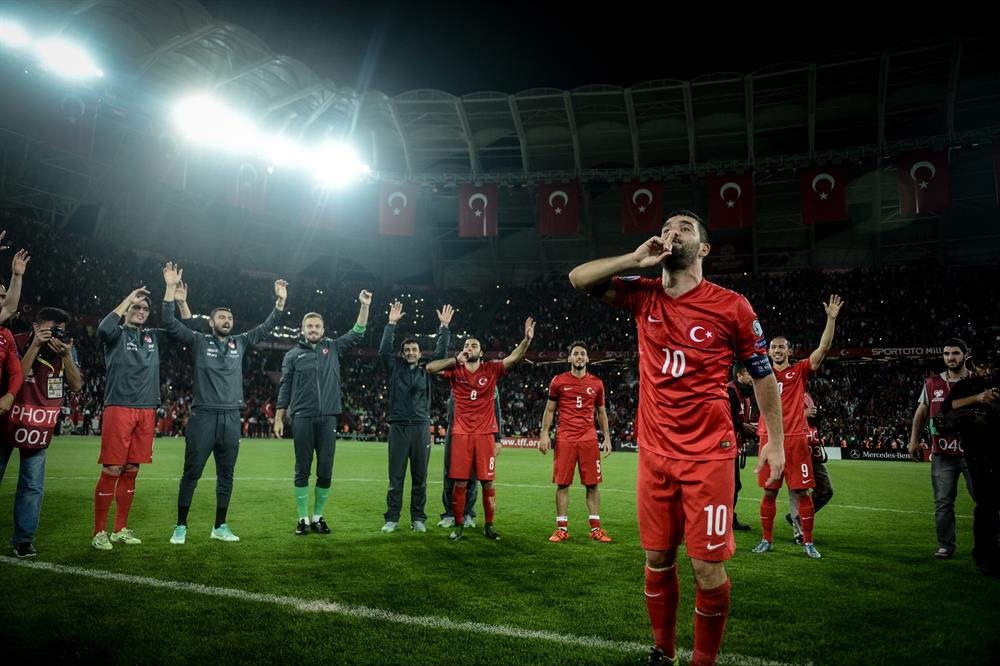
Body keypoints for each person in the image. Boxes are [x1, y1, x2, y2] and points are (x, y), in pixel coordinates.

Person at [568, 210, 784, 666]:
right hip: (655, 453)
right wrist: (634, 258)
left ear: (703, 248)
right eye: (667, 228)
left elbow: (764, 376)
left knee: (706, 567)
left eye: (684, 228)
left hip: (708, 455)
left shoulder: (732, 306)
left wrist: (775, 441)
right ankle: (662, 650)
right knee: (658, 558)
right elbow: (578, 279)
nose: (672, 233)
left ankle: (702, 661)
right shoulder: (642, 294)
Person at [161, 262, 287, 544]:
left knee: (226, 475)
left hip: (231, 417)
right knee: (191, 473)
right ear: (211, 322)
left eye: (229, 317)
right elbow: (169, 323)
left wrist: (279, 304)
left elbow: (266, 328)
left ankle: (220, 526)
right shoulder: (199, 341)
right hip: (204, 416)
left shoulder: (240, 343)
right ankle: (180, 526)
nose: (227, 320)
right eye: (221, 317)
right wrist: (170, 290)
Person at [751, 295, 843, 560]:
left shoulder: (800, 371)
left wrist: (831, 319)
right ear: (768, 351)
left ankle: (808, 542)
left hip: (795, 439)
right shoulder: (761, 372)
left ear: (789, 351)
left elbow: (823, 348)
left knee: (803, 492)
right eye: (774, 347)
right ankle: (766, 540)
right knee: (769, 491)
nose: (777, 351)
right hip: (769, 439)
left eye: (782, 347)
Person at [427, 318, 535, 541]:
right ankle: (458, 525)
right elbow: (430, 368)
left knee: (487, 481)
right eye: (466, 345)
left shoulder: (491, 369)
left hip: (485, 435)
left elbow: (514, 358)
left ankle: (489, 525)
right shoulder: (455, 370)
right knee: (459, 482)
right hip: (461, 434)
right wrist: (454, 360)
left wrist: (526, 340)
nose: (469, 348)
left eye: (474, 345)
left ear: (481, 352)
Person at [275, 292, 371, 536]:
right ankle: (302, 519)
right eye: (309, 326)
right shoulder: (292, 355)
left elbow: (358, 332)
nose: (313, 329)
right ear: (303, 329)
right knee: (302, 468)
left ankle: (318, 517)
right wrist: (279, 417)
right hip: (302, 417)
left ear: (323, 329)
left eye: (317, 326)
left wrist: (364, 306)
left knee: (325, 469)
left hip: (328, 417)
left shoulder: (333, 347)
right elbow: (284, 387)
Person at [92, 286, 170, 550]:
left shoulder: (153, 336)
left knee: (132, 470)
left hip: (147, 409)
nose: (141, 311)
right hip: (119, 407)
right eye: (136, 307)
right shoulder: (116, 334)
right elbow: (103, 329)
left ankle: (120, 529)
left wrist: (171, 292)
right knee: (112, 469)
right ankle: (99, 532)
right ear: (127, 310)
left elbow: (179, 330)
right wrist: (127, 300)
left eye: (145, 308)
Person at [379, 300, 452, 533]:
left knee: (420, 478)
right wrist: (391, 324)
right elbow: (383, 351)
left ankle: (418, 518)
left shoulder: (427, 370)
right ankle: (392, 518)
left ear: (420, 353)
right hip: (398, 428)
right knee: (396, 478)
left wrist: (444, 328)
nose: (411, 352)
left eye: (414, 350)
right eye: (407, 350)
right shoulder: (394, 368)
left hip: (420, 428)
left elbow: (441, 354)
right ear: (402, 354)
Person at [538, 340, 613, 542]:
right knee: (562, 483)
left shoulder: (596, 383)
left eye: (582, 354)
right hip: (565, 438)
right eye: (576, 354)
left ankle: (595, 528)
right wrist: (544, 433)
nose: (579, 357)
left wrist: (607, 437)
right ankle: (562, 528)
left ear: (587, 359)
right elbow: (549, 409)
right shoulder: (558, 381)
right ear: (569, 358)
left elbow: (601, 412)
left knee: (592, 484)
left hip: (588, 438)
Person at [907, 339, 976, 559]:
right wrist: (913, 440)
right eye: (946, 354)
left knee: (985, 499)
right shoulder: (932, 382)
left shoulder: (976, 381)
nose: (950, 358)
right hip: (942, 453)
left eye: (955, 353)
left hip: (974, 453)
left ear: (965, 354)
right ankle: (946, 545)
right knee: (943, 502)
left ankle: (991, 543)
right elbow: (922, 411)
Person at [940, 359, 999, 576]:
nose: (988, 371)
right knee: (986, 503)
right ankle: (985, 556)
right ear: (974, 365)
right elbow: (946, 408)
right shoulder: (967, 385)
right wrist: (978, 398)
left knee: (989, 503)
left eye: (992, 366)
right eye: (983, 366)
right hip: (977, 449)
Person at [786, 392, 834, 544]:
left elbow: (813, 421)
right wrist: (803, 414)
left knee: (826, 490)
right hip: (795, 448)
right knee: (798, 492)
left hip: (813, 449)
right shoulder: (786, 393)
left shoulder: (808, 395)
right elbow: (782, 419)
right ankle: (799, 534)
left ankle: (798, 517)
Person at [726, 363, 755, 531]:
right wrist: (742, 426)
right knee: (731, 485)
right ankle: (727, 519)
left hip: (733, 446)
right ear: (740, 375)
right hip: (723, 447)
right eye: (749, 374)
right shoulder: (730, 392)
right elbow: (724, 417)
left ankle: (729, 518)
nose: (752, 377)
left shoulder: (744, 393)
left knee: (734, 485)